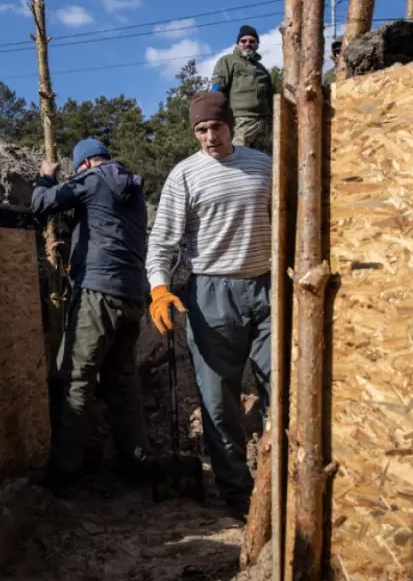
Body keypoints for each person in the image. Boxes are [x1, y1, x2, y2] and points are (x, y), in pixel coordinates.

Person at [146, 92, 272, 522]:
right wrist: (159, 290)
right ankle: (240, 498)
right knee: (219, 403)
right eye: (200, 130)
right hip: (211, 295)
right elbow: (161, 243)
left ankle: (287, 482)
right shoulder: (184, 175)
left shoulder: (262, 165)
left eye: (215, 127)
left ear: (229, 124)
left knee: (282, 387)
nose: (209, 136)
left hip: (267, 289)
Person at [30, 138, 152, 491]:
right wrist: (68, 245)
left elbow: (41, 205)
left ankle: (64, 472)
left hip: (98, 295)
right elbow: (105, 228)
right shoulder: (130, 187)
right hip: (131, 295)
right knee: (122, 383)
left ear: (84, 164)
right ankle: (136, 465)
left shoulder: (92, 179)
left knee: (76, 378)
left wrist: (46, 177)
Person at [210, 25, 273, 152]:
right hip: (240, 120)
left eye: (252, 41)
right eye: (243, 41)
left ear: (257, 45)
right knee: (238, 156)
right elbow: (217, 87)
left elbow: (270, 96)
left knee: (264, 160)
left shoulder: (261, 69)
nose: (248, 44)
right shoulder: (228, 61)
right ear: (238, 43)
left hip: (264, 122)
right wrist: (213, 114)